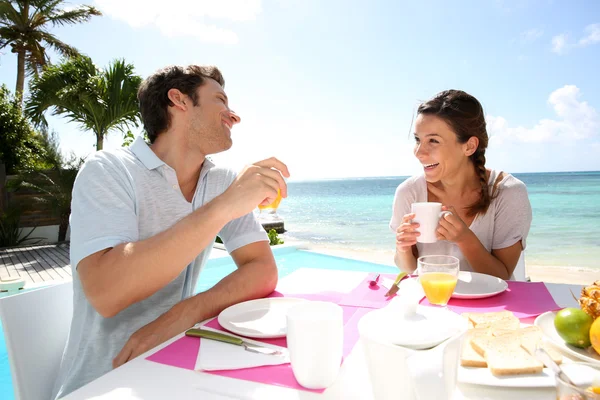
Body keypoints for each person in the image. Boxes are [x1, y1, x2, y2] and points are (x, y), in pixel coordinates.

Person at [52, 65, 289, 398]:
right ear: (178, 100)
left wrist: (185, 313)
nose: (233, 116)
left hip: (178, 366)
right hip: (104, 382)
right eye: (220, 100)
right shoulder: (109, 170)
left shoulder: (219, 181)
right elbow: (107, 292)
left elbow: (262, 270)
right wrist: (225, 206)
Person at [390, 89, 532, 280]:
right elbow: (408, 268)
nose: (419, 152)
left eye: (433, 140)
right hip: (433, 301)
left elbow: (503, 276)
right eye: (418, 140)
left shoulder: (508, 192)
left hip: (492, 307)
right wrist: (403, 248)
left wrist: (465, 239)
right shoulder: (409, 192)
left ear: (469, 146)